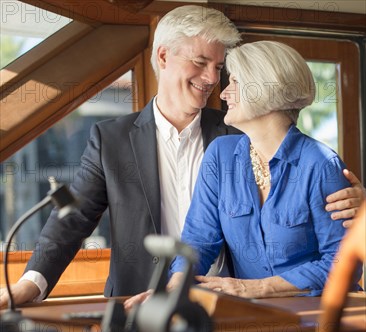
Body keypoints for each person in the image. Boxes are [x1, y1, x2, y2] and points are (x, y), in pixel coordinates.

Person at [0, 7, 363, 309]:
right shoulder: (110, 138)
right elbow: (73, 219)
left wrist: (361, 209)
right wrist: (31, 283)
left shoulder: (244, 133)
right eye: (201, 62)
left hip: (235, 308)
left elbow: (339, 252)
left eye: (219, 68)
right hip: (144, 300)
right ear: (163, 56)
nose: (213, 81)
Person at [165, 41, 363, 299]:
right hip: (249, 316)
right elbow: (198, 240)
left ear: (264, 90)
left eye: (234, 83)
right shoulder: (220, 155)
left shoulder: (321, 164)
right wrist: (172, 288)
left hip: (318, 318)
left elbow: (343, 264)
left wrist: (257, 287)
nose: (224, 94)